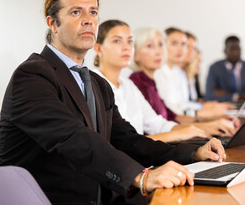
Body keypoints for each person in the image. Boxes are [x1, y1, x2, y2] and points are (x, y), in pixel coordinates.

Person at [0, 0, 225, 204]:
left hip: (101, 195)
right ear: (53, 24)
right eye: (76, 12)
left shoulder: (97, 83)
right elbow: (72, 137)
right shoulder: (32, 75)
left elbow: (128, 141)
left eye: (93, 12)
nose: (88, 20)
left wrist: (193, 154)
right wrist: (140, 176)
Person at [93, 20, 233, 141]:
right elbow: (124, 142)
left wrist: (199, 128)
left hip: (144, 154)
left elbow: (158, 123)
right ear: (98, 48)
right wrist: (195, 128)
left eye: (130, 41)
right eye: (117, 41)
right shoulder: (97, 86)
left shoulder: (128, 85)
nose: (126, 47)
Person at [129, 27, 237, 137]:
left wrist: (209, 124)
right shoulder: (136, 83)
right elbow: (159, 125)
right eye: (150, 46)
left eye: (161, 45)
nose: (159, 52)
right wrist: (205, 122)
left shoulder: (150, 81)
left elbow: (171, 117)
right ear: (135, 54)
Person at [153, 27, 231, 118]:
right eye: (174, 43)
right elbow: (171, 112)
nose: (181, 49)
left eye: (183, 44)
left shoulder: (178, 72)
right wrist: (204, 111)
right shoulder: (157, 73)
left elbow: (182, 104)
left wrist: (204, 107)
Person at [205, 35, 245, 102]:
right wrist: (238, 97)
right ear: (224, 50)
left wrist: (224, 93)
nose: (235, 52)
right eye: (232, 49)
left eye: (238, 48)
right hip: (224, 107)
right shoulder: (215, 68)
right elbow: (209, 95)